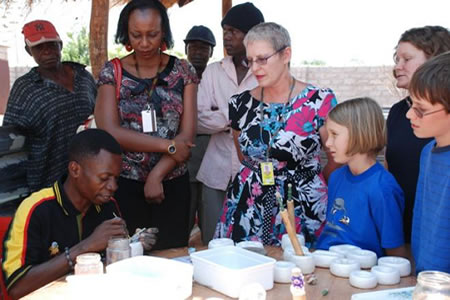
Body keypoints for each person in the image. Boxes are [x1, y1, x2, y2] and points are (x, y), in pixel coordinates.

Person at [214, 22, 339, 246]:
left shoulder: (319, 101)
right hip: (249, 203)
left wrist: (304, 180)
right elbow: (244, 157)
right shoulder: (240, 103)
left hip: (302, 204)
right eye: (249, 60)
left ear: (286, 54)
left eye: (262, 59)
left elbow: (335, 160)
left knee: (301, 273)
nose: (255, 68)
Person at [95, 0, 198, 250]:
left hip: (172, 184)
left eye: (152, 34)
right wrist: (168, 146)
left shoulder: (184, 71)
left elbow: (187, 136)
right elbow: (110, 131)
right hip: (124, 184)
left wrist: (156, 175)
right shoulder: (112, 72)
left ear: (164, 32)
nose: (144, 43)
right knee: (128, 257)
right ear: (125, 34)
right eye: (136, 35)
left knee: (173, 256)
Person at [2, 130, 132, 299]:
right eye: (104, 178)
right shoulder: (37, 209)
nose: (113, 186)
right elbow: (16, 287)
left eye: (116, 178)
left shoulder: (108, 206)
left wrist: (133, 244)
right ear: (75, 169)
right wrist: (85, 247)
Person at [196, 2, 264, 244]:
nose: (226, 36)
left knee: (252, 243)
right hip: (216, 172)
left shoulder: (266, 72)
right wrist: (238, 115)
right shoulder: (213, 72)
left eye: (233, 31)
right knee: (212, 242)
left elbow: (267, 120)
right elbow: (198, 120)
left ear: (252, 35)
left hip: (255, 173)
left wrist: (220, 114)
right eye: (225, 30)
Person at [2, 20, 97, 193]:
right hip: (48, 181)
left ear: (60, 45)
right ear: (28, 51)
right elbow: (10, 139)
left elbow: (99, 115)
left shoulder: (83, 77)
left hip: (90, 175)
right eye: (39, 47)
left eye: (52, 45)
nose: (47, 51)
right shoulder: (25, 89)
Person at [316, 98, 406, 258]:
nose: (328, 143)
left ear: (360, 133)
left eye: (334, 134)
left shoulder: (383, 188)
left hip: (362, 274)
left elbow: (395, 253)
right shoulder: (336, 177)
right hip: (325, 263)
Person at [385, 26, 450, 242]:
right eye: (397, 58)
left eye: (407, 59)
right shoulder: (397, 112)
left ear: (434, 61)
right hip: (406, 228)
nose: (398, 66)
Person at [407, 52, 450, 274]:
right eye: (410, 104)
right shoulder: (427, 152)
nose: (409, 115)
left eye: (420, 110)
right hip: (426, 280)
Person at [183, 25, 217, 235]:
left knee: (209, 215)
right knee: (184, 211)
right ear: (185, 49)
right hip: (185, 154)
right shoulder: (175, 77)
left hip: (212, 152)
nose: (198, 53)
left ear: (211, 52)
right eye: (193, 47)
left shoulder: (216, 79)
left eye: (203, 48)